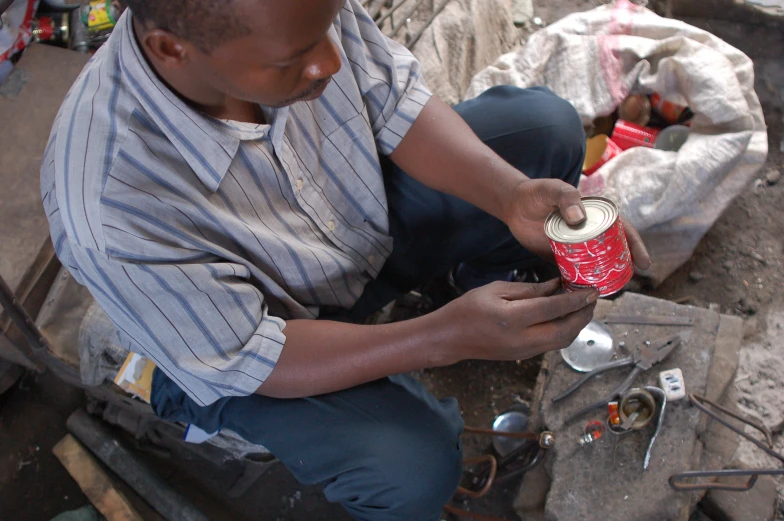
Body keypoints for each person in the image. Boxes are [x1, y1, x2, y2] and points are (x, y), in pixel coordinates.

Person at [41, 0, 651, 519]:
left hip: (354, 233)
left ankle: (477, 287)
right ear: (171, 50)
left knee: (543, 133)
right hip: (250, 346)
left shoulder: (291, 19)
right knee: (411, 467)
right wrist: (443, 338)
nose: (329, 64)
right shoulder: (109, 205)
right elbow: (248, 354)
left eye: (328, 25)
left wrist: (509, 195)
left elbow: (394, 102)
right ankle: (459, 327)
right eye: (294, 58)